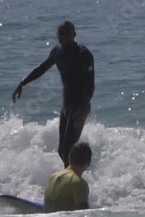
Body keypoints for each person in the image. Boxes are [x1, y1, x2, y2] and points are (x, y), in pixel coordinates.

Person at [12, 21, 95, 167]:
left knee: (68, 150)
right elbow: (42, 68)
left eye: (68, 33)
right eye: (61, 34)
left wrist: (82, 106)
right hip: (67, 106)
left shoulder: (83, 54)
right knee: (62, 151)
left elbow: (90, 84)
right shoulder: (57, 52)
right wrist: (23, 83)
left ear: (74, 35)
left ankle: (73, 183)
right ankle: (71, 181)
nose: (64, 37)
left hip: (80, 106)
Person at [43, 142, 91, 212]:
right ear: (88, 163)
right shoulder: (79, 184)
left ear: (69, 158)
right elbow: (83, 215)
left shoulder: (52, 177)